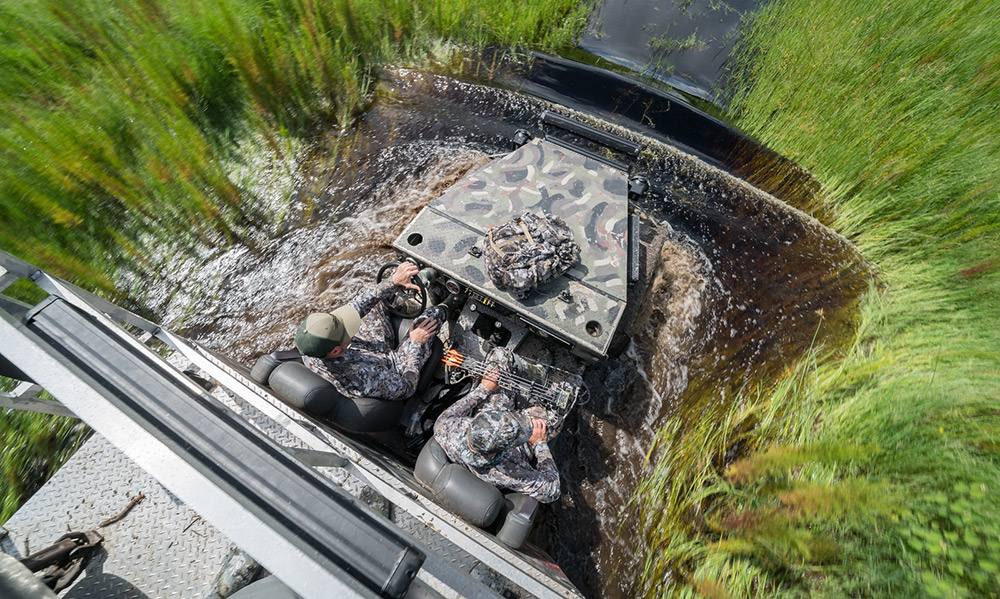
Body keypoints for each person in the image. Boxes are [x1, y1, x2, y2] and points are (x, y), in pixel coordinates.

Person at [294, 262, 444, 401]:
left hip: (366, 350)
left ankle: (404, 301)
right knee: (431, 317)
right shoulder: (363, 377)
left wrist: (393, 281)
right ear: (335, 351)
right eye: (347, 330)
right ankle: (449, 303)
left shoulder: (311, 344)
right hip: (392, 365)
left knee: (376, 299)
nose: (350, 326)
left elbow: (356, 306)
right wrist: (416, 344)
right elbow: (406, 388)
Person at [433, 347, 561, 503]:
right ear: (494, 454)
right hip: (522, 449)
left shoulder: (448, 432)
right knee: (558, 405)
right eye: (517, 434)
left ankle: (536, 372)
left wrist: (483, 389)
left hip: (492, 413)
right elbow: (551, 491)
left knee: (500, 356)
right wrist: (540, 444)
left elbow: (445, 417)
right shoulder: (507, 471)